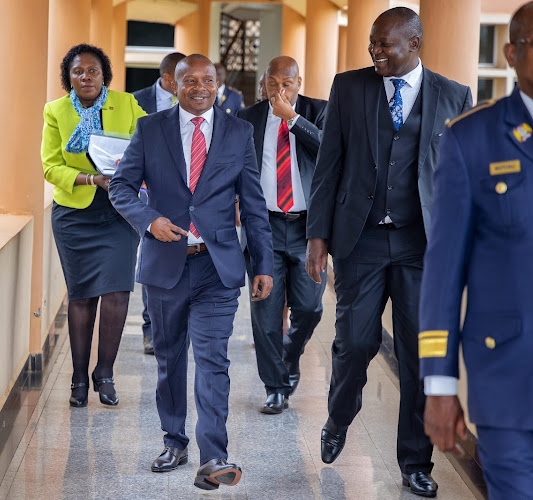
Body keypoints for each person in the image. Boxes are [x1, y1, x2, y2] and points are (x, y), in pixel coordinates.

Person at [418, 2, 533, 498]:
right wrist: (439, 385)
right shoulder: (472, 140)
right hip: (510, 389)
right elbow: (443, 276)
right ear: (512, 53)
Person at [305, 7, 471, 497]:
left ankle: (415, 463)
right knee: (356, 343)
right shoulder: (349, 87)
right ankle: (338, 416)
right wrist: (318, 237)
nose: (376, 51)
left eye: (386, 44)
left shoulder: (454, 95)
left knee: (420, 352)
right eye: (372, 42)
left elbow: (462, 176)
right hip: (361, 240)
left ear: (415, 43)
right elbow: (328, 166)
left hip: (425, 245)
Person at [109, 54, 273, 491]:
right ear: (173, 83)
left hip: (216, 266)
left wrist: (263, 264)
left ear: (218, 84)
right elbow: (122, 187)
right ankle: (174, 440)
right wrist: (149, 220)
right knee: (170, 359)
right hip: (166, 265)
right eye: (190, 80)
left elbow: (254, 205)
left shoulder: (240, 132)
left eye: (208, 80)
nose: (199, 87)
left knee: (213, 360)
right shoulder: (150, 129)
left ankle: (213, 454)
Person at [41, 44, 146, 408]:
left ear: (105, 75)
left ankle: (105, 373)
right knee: (82, 294)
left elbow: (151, 141)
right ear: (68, 77)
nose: (86, 77)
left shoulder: (127, 104)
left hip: (118, 213)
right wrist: (90, 179)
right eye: (78, 72)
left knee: (117, 293)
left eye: (93, 71)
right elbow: (50, 166)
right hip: (74, 214)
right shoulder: (55, 110)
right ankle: (77, 379)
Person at [237, 56, 327, 414]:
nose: (279, 91)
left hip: (309, 230)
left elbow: (329, 153)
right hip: (265, 228)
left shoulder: (319, 112)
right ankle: (275, 385)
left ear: (299, 83)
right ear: (264, 83)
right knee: (266, 310)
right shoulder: (248, 118)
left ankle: (290, 356)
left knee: (310, 307)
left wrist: (293, 119)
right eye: (273, 83)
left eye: (286, 84)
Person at [132, 51, 186, 355]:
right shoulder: (136, 100)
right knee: (152, 260)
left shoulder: (198, 101)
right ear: (168, 79)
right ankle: (150, 329)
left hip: (185, 196)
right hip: (148, 195)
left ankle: (178, 325)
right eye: (183, 78)